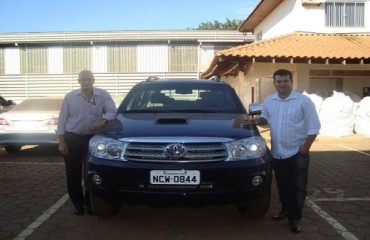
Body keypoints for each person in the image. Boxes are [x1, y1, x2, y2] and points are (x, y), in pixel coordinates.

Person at [251, 69, 320, 233]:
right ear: (274, 83)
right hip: (277, 152)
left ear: (291, 82)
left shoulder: (304, 101)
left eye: (285, 81)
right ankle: (285, 209)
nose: (282, 84)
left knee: (298, 187)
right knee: (282, 185)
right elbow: (265, 120)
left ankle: (295, 218)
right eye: (279, 81)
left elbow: (314, 127)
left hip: (297, 153)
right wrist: (254, 121)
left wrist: (305, 148)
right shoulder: (269, 101)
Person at [57, 70, 117, 215]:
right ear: (78, 81)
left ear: (93, 80)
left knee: (90, 173)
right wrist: (61, 142)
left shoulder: (103, 95)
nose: (86, 82)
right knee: (73, 174)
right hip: (73, 138)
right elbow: (62, 120)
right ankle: (77, 203)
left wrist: (102, 120)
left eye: (89, 79)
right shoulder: (70, 97)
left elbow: (112, 111)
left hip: (93, 140)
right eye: (83, 80)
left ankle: (90, 202)